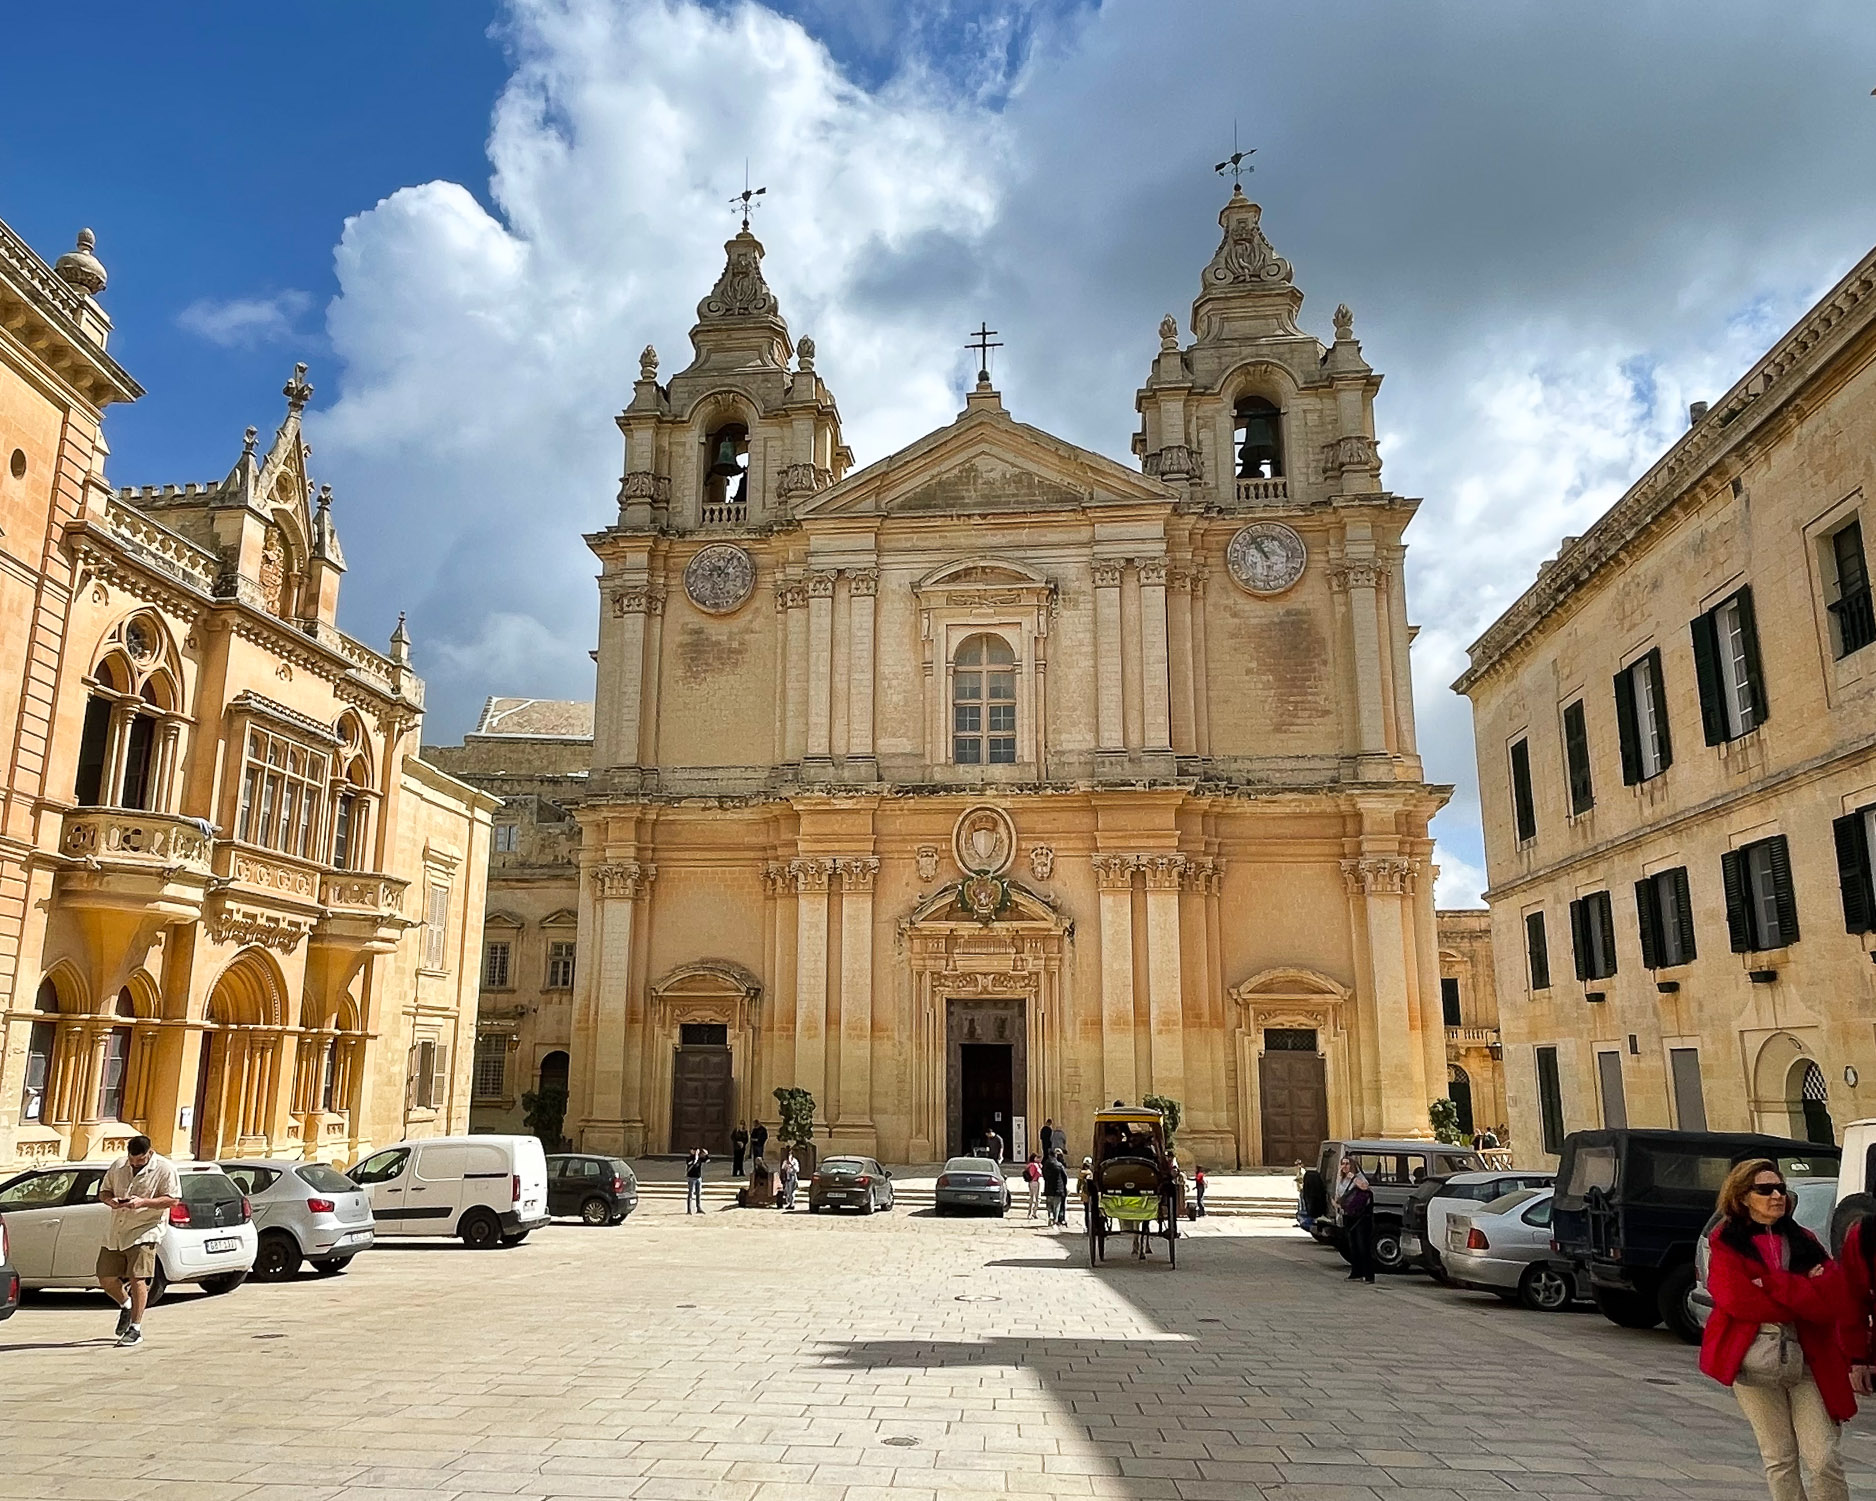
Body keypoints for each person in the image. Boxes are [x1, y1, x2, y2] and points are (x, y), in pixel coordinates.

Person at [1701, 1159, 1853, 1501]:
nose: (1776, 1196)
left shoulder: (1805, 1240)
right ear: (1742, 1197)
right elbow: (1739, 1302)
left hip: (1809, 1358)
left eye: (1781, 1189)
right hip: (1754, 1359)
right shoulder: (1725, 1241)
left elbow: (1832, 1301)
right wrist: (1802, 1289)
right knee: (1779, 1457)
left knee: (1823, 1457)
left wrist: (1771, 1284)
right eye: (1765, 1189)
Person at [97, 1134, 182, 1348]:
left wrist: (144, 1202)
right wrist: (111, 1201)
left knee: (138, 1277)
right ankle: (126, 1305)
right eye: (132, 1160)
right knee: (106, 1277)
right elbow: (104, 1191)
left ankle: (135, 1328)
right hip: (117, 1230)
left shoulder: (165, 1168)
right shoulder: (118, 1166)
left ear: (149, 1153)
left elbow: (173, 1199)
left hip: (146, 1229)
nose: (135, 1164)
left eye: (140, 1161)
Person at [1336, 1154, 1376, 1284]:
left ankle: (1369, 1275)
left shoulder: (1357, 1177)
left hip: (1361, 1218)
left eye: (1347, 1164)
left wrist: (1353, 1178)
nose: (1345, 1166)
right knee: (1353, 1246)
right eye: (1343, 1164)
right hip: (1349, 1216)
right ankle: (1356, 1272)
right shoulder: (1341, 1180)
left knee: (1363, 1245)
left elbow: (1365, 1187)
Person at [1043, 1150, 1068, 1226]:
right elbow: (1065, 1177)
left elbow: (1044, 1175)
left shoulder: (1046, 1165)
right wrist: (1064, 1185)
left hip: (1048, 1187)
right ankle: (1055, 1220)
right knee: (1057, 1206)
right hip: (1058, 1188)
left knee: (1049, 1204)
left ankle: (1050, 1216)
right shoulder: (1059, 1165)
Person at [685, 1146, 709, 1214]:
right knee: (691, 1193)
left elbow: (707, 1161)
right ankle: (689, 1210)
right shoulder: (689, 1158)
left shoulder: (699, 1158)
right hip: (691, 1178)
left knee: (698, 1193)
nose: (695, 1152)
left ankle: (698, 1208)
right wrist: (695, 1157)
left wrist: (706, 1154)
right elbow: (691, 1163)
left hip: (698, 1178)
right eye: (694, 1150)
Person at [1023, 1153, 1042, 1218]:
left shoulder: (1029, 1165)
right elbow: (1036, 1173)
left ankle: (1030, 1212)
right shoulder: (1034, 1165)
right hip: (1035, 1182)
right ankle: (1033, 1212)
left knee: (1032, 1197)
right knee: (1037, 1198)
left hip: (1031, 1182)